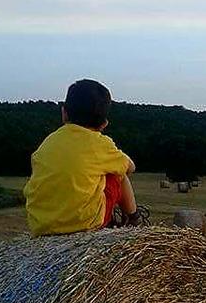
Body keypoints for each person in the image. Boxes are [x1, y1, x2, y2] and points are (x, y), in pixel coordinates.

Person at [24, 79, 148, 236]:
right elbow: (131, 167)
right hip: (84, 223)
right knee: (118, 174)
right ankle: (134, 220)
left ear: (64, 113)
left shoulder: (47, 142)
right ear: (104, 124)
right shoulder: (99, 143)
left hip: (40, 225)